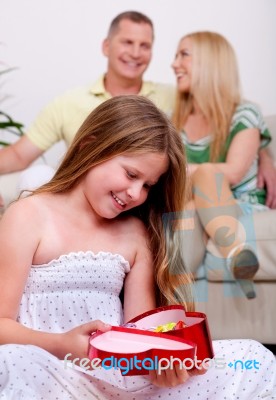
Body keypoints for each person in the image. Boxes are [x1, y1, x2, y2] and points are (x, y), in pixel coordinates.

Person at [0, 96, 275, 399]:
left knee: (254, 358)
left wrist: (162, 364)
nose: (135, 193)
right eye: (131, 174)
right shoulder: (28, 215)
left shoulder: (134, 233)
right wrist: (62, 343)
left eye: (148, 185)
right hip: (52, 368)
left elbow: (141, 334)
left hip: (120, 380)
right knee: (11, 362)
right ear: (90, 146)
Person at [0, 11, 276, 209]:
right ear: (107, 46)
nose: (135, 53)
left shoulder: (172, 99)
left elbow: (228, 114)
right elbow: (17, 155)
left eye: (144, 46)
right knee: (37, 177)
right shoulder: (68, 103)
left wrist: (264, 155)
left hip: (137, 204)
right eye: (127, 43)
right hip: (87, 199)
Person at [171, 31, 273, 299]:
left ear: (210, 63)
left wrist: (186, 173)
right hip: (193, 208)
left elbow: (235, 171)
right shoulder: (175, 122)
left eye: (184, 54)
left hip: (236, 204)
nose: (174, 64)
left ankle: (233, 253)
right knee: (188, 204)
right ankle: (233, 257)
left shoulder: (245, 113)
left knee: (206, 174)